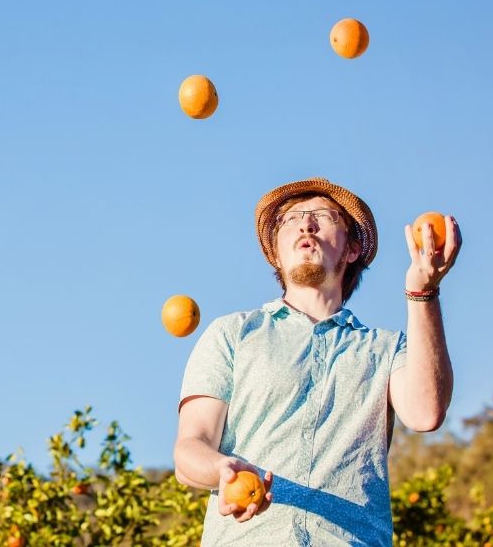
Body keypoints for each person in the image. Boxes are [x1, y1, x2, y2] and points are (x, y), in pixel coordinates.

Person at [173, 177, 462, 545]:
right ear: (276, 251)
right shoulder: (232, 333)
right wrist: (220, 470)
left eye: (324, 217)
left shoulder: (386, 349)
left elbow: (425, 413)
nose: (306, 225)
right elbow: (189, 450)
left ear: (352, 249)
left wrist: (423, 292)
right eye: (291, 219)